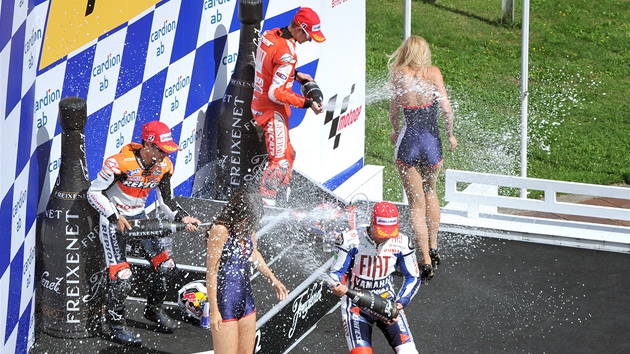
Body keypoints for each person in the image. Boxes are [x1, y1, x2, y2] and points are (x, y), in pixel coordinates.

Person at [87, 120, 201, 345]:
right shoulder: (119, 163)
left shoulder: (164, 166)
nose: (165, 155)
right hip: (114, 220)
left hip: (139, 220)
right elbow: (94, 193)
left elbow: (167, 200)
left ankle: (153, 310)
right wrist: (114, 216)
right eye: (161, 149)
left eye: (167, 150)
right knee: (122, 276)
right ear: (148, 145)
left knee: (167, 266)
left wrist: (183, 217)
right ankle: (114, 326)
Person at [387, 35, 458, 282]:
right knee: (431, 193)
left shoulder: (398, 74)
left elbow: (394, 112)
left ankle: (425, 260)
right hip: (431, 143)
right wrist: (450, 135)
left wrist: (395, 132)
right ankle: (435, 245)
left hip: (409, 143)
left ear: (405, 52)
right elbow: (447, 110)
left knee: (416, 204)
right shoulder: (433, 73)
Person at [251, 7, 326, 206]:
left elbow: (269, 66)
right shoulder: (288, 53)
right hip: (271, 111)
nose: (309, 40)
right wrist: (307, 103)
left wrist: (295, 75)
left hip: (260, 103)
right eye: (309, 36)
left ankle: (281, 201)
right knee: (279, 164)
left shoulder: (270, 35)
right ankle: (266, 210)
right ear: (300, 29)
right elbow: (275, 93)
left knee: (289, 155)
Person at [329, 201, 421, 354]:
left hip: (387, 302)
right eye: (381, 232)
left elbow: (413, 277)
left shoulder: (403, 243)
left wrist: (399, 305)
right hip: (356, 307)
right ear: (372, 224)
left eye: (390, 233)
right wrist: (336, 285)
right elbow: (336, 273)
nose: (385, 238)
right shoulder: (350, 240)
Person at [205, 189, 288, 354]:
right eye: (249, 220)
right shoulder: (220, 230)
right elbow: (211, 272)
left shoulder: (248, 229)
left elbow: (254, 253)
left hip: (246, 302)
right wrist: (213, 310)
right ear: (239, 213)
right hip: (224, 303)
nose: (251, 225)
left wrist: (273, 280)